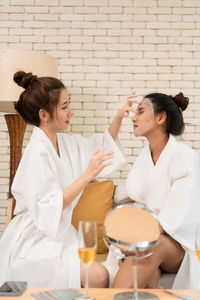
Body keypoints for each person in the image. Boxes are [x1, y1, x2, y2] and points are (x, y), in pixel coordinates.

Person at [0, 71, 136, 288]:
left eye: (68, 104)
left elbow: (100, 147)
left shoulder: (64, 143)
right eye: (64, 107)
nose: (70, 111)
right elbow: (49, 207)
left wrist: (118, 118)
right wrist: (87, 175)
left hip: (60, 234)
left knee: (101, 273)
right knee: (99, 275)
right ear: (44, 114)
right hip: (35, 240)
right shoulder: (37, 153)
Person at [106, 92, 200, 289]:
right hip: (148, 235)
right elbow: (135, 195)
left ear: (160, 117)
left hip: (178, 243)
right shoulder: (145, 156)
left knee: (148, 247)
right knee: (148, 269)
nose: (133, 117)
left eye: (141, 111)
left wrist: (138, 236)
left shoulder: (184, 158)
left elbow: (177, 219)